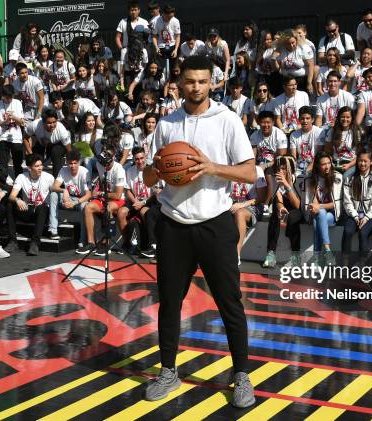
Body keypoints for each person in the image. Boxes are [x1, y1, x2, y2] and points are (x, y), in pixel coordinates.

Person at [142, 55, 256, 407]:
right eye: (189, 81)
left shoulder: (227, 120)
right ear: (179, 83)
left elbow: (251, 173)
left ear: (212, 83)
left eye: (202, 81)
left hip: (215, 222)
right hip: (174, 223)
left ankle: (241, 375)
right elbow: (148, 177)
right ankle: (168, 371)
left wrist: (211, 168)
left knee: (229, 303)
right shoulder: (167, 124)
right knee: (169, 304)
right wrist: (157, 169)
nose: (195, 87)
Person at [77, 136, 125, 255]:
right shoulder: (99, 164)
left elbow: (118, 195)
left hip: (118, 200)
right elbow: (102, 183)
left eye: (107, 155)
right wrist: (97, 193)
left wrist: (100, 193)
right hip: (104, 197)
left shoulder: (119, 169)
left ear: (113, 157)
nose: (104, 157)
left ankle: (106, 243)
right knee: (88, 207)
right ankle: (91, 243)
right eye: (103, 153)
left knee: (108, 208)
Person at [342, 147, 372, 260]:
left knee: (363, 233)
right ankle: (345, 263)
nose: (362, 163)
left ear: (371, 162)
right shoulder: (349, 178)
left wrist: (366, 217)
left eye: (365, 161)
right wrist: (355, 216)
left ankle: (362, 263)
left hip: (371, 215)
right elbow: (347, 201)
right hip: (354, 214)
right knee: (347, 231)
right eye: (360, 160)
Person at [117, 146, 161, 256]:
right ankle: (128, 242)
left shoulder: (152, 170)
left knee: (144, 212)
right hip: (134, 200)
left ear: (145, 157)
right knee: (121, 212)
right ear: (133, 159)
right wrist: (135, 201)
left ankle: (147, 242)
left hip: (149, 201)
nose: (140, 161)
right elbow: (127, 191)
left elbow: (156, 192)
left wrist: (143, 203)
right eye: (137, 159)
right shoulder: (130, 171)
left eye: (141, 158)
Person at [8, 153, 55, 255]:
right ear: (29, 168)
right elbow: (12, 195)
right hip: (28, 210)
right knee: (10, 204)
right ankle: (13, 241)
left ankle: (35, 243)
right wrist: (18, 200)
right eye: (36, 166)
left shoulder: (49, 177)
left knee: (43, 207)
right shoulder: (21, 177)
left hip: (42, 213)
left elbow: (56, 193)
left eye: (41, 165)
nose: (40, 168)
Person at [262, 155, 301, 268]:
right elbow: (278, 200)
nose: (281, 171)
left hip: (296, 209)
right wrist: (280, 208)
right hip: (282, 207)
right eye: (279, 169)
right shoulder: (275, 180)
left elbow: (297, 205)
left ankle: (295, 256)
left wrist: (286, 184)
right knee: (275, 215)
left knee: (293, 218)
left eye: (284, 168)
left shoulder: (297, 178)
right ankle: (271, 254)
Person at [305, 151, 343, 266]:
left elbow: (335, 204)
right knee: (320, 214)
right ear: (317, 166)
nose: (327, 166)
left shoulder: (337, 177)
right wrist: (315, 205)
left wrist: (319, 206)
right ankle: (327, 250)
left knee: (320, 217)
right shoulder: (311, 179)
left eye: (328, 163)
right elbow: (311, 203)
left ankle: (317, 256)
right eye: (323, 164)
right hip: (318, 214)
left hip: (332, 215)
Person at [49, 149, 91, 243]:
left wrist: (75, 202)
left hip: (80, 201)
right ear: (67, 162)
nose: (72, 166)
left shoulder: (85, 172)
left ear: (79, 162)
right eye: (70, 163)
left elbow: (89, 194)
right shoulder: (63, 170)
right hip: (67, 199)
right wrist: (64, 190)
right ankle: (53, 230)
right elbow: (54, 187)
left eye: (75, 163)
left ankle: (82, 239)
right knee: (53, 195)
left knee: (85, 206)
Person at [231, 164, 266, 265]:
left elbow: (261, 198)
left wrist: (242, 204)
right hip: (232, 205)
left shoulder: (257, 170)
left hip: (253, 206)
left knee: (239, 213)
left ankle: (236, 254)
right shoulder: (228, 167)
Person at [28, 109, 72, 178]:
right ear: (43, 122)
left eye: (54, 122)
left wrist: (71, 165)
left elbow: (69, 149)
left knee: (55, 152)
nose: (52, 125)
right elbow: (25, 137)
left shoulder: (62, 130)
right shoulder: (34, 125)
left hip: (59, 145)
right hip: (42, 144)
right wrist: (30, 153)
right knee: (35, 156)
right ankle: (35, 176)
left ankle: (57, 180)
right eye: (49, 123)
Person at [272, 29, 315, 94]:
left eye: (293, 42)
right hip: (285, 81)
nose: (291, 46)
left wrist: (309, 83)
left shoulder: (304, 48)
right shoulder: (280, 49)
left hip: (301, 80)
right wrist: (273, 59)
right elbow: (277, 69)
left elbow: (310, 65)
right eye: (288, 44)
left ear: (296, 40)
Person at [324, 106, 361, 179]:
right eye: (342, 117)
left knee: (345, 177)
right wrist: (331, 164)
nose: (345, 119)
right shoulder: (332, 131)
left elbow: (360, 154)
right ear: (338, 118)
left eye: (348, 117)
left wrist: (349, 165)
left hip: (351, 163)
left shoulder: (357, 132)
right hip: (335, 163)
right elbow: (327, 151)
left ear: (352, 118)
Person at [290, 106, 324, 175]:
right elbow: (293, 157)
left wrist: (308, 168)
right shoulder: (294, 135)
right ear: (299, 119)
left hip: (315, 164)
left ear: (312, 120)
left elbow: (318, 155)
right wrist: (295, 169)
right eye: (302, 118)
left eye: (307, 118)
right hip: (300, 165)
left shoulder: (320, 132)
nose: (305, 121)